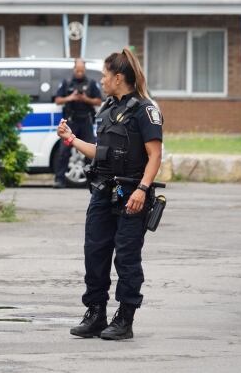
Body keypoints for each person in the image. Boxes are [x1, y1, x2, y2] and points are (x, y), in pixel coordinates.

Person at [58, 48, 163, 340]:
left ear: (118, 77)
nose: (101, 80)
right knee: (95, 252)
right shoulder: (106, 109)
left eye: (104, 75)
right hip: (103, 191)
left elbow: (155, 156)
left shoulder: (145, 110)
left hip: (132, 193)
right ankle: (95, 313)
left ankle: (125, 318)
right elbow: (100, 154)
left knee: (127, 257)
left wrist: (142, 189)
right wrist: (72, 139)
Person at [53, 59, 102, 188]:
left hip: (86, 121)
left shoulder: (91, 83)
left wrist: (86, 99)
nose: (79, 72)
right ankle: (59, 180)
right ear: (74, 69)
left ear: (84, 69)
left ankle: (91, 181)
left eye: (81, 70)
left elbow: (98, 101)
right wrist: (71, 98)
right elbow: (58, 100)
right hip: (71, 122)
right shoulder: (67, 82)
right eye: (77, 70)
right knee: (64, 152)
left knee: (90, 151)